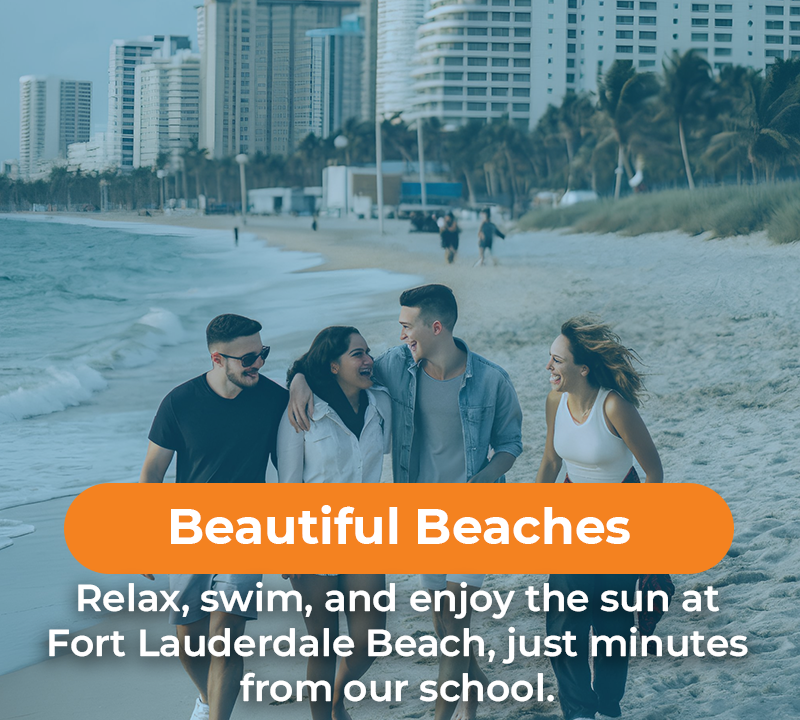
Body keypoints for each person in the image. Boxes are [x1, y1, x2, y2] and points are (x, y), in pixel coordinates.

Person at [288, 284, 523, 720]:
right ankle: (471, 694)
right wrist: (298, 379)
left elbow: (511, 443)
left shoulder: (492, 380)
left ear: (435, 327)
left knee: (453, 619)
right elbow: (333, 365)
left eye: (406, 327)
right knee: (445, 623)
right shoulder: (396, 369)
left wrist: (485, 477)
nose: (400, 337)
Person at [139, 314, 288, 720]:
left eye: (262, 353)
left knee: (226, 636)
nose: (258, 363)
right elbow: (154, 471)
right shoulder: (180, 402)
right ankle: (208, 700)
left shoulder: (275, 400)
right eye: (249, 357)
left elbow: (292, 472)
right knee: (188, 640)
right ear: (217, 359)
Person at [535, 316, 663, 720]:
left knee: (612, 627)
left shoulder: (614, 406)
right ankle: (578, 711)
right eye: (550, 359)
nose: (549, 368)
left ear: (583, 368)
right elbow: (551, 460)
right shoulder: (555, 401)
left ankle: (608, 706)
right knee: (562, 627)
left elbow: (654, 472)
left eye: (557, 360)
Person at [277, 326, 391, 720]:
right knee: (323, 645)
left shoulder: (380, 403)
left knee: (370, 641)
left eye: (368, 352)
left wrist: (298, 375)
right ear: (334, 364)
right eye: (357, 354)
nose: (367, 360)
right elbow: (288, 484)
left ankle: (335, 697)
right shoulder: (302, 411)